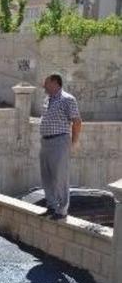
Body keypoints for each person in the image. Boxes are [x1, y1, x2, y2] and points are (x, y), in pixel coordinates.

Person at [39, 73, 82, 220]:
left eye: (46, 82)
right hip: (45, 142)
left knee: (60, 177)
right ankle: (51, 206)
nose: (43, 86)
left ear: (55, 83)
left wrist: (74, 142)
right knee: (47, 177)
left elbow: (76, 121)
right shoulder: (47, 100)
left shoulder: (67, 99)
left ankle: (62, 210)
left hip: (60, 141)